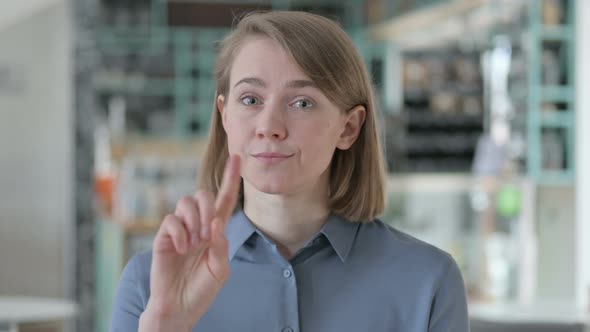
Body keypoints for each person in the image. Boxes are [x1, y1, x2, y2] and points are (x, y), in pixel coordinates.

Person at [110, 10, 469, 332]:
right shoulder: (148, 284)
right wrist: (165, 325)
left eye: (302, 103)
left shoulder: (429, 281)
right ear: (224, 116)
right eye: (250, 99)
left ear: (349, 128)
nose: (269, 126)